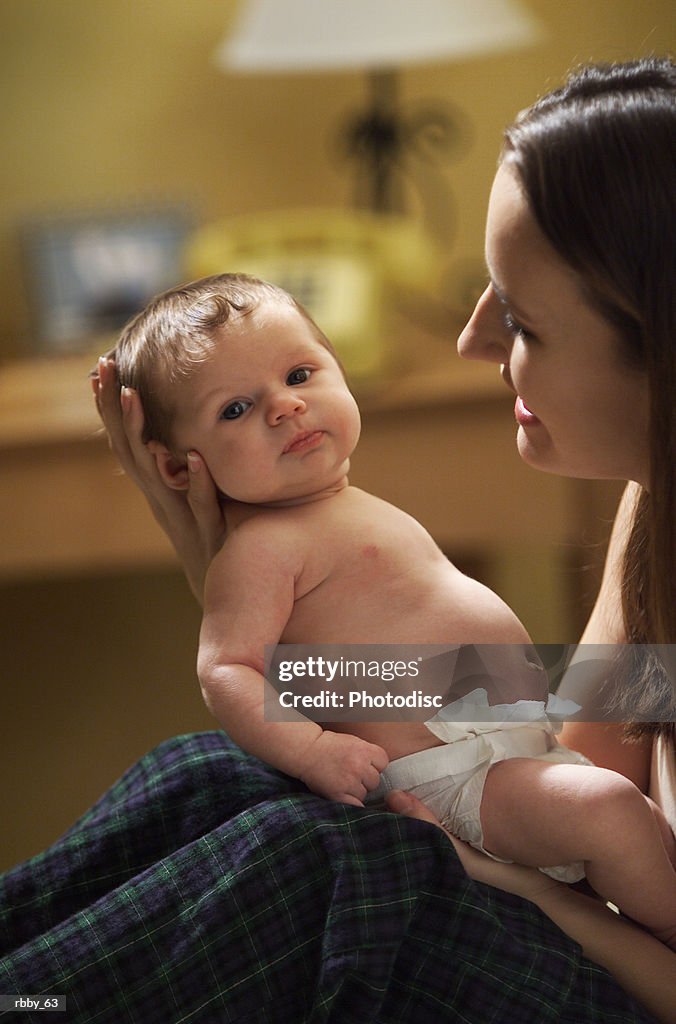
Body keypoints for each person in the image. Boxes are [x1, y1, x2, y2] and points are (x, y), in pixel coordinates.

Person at [1, 58, 673, 1024]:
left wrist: (523, 895)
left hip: (628, 978)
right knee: (207, 772)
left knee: (314, 867)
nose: (472, 341)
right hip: (537, 838)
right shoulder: (655, 508)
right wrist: (279, 641)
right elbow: (563, 737)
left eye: (521, 316)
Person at [105, 269, 676, 950]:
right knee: (611, 812)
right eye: (235, 409)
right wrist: (313, 749)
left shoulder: (337, 506)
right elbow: (228, 666)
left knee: (623, 821)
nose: (285, 408)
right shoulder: (262, 547)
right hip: (450, 778)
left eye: (299, 374)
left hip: (505, 746)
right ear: (180, 468)